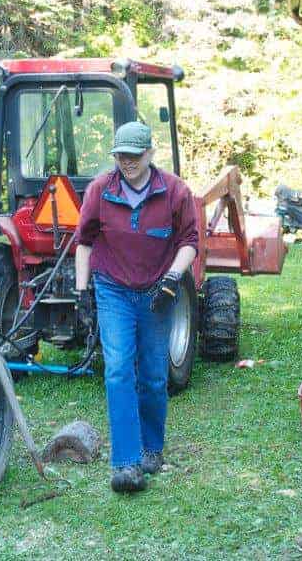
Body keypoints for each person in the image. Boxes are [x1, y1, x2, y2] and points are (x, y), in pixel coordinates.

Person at [74, 120, 199, 493]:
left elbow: (189, 242)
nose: (126, 162)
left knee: (154, 376)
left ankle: (151, 449)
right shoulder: (100, 189)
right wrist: (83, 292)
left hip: (156, 291)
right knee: (116, 371)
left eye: (133, 155)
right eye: (120, 156)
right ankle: (126, 463)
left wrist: (173, 279)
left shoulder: (175, 192)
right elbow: (84, 242)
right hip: (113, 289)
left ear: (149, 153)